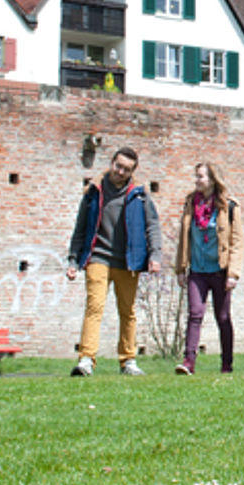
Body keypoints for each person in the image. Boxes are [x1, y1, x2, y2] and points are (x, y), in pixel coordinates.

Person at [66, 146, 162, 377]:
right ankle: (86, 360)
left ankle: (128, 361)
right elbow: (80, 227)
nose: (120, 172)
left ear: (132, 172)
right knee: (94, 307)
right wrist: (72, 259)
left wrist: (155, 255)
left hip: (128, 261)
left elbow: (152, 225)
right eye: (118, 166)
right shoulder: (94, 191)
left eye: (126, 170)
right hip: (98, 256)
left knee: (127, 311)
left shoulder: (139, 194)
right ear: (111, 163)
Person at [173, 162, 244, 375]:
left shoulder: (229, 206)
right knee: (195, 313)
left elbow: (237, 242)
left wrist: (233, 274)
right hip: (197, 270)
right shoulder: (190, 203)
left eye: (200, 177)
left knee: (223, 318)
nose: (196, 180)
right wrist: (180, 268)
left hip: (220, 271)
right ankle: (189, 361)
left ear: (213, 180)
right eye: (196, 176)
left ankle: (226, 364)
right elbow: (183, 238)